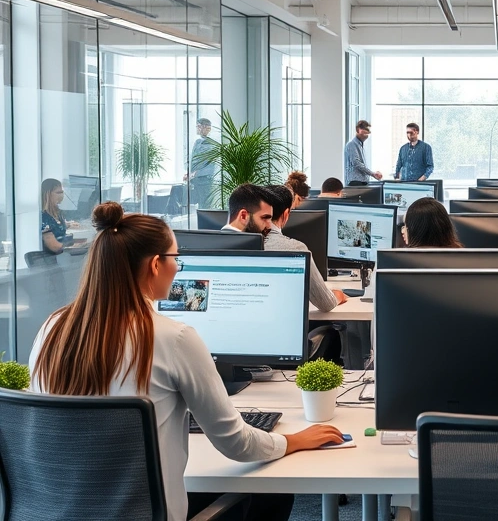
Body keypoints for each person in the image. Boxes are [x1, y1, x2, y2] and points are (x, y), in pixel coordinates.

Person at [28, 202, 342, 521]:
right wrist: (294, 440)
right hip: (145, 514)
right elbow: (237, 444)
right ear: (154, 265)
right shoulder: (172, 337)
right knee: (272, 491)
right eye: (176, 258)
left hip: (53, 511)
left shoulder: (51, 328)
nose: (179, 267)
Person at [264, 185, 347, 311]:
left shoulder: (241, 244)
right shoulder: (296, 248)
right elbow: (326, 303)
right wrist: (338, 295)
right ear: (286, 214)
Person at [186, 118, 217, 208]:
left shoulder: (210, 144)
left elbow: (210, 164)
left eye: (198, 126)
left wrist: (196, 173)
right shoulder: (198, 142)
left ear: (206, 128)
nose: (197, 129)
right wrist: (190, 173)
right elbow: (194, 160)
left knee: (204, 206)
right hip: (196, 179)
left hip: (205, 180)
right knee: (199, 205)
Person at [40, 178, 73, 254]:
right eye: (58, 192)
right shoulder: (43, 217)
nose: (62, 195)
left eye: (62, 192)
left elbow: (58, 228)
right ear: (48, 194)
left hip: (61, 257)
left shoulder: (58, 214)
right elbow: (54, 246)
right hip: (50, 260)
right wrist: (77, 246)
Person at [345, 120, 382, 186]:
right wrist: (372, 173)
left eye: (369, 132)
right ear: (359, 130)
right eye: (366, 130)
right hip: (355, 182)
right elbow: (357, 163)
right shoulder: (352, 145)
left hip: (361, 182)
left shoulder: (360, 146)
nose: (368, 134)